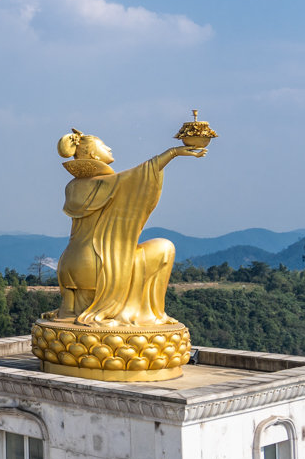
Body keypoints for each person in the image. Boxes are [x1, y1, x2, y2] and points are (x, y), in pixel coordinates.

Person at [54, 129, 205, 326]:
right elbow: (142, 173)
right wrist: (174, 152)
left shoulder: (72, 187)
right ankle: (152, 316)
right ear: (92, 154)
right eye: (103, 145)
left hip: (70, 265)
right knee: (165, 247)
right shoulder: (106, 183)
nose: (109, 148)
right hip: (102, 265)